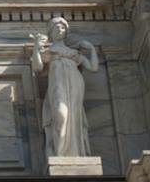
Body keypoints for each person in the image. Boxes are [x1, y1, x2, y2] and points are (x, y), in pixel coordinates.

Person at [29, 16, 101, 158]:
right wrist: (36, 48)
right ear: (50, 32)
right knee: (61, 115)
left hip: (76, 85)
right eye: (57, 27)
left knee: (74, 116)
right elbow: (37, 67)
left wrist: (91, 48)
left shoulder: (73, 53)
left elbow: (93, 67)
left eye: (63, 27)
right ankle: (59, 155)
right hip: (57, 85)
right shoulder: (49, 51)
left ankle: (76, 154)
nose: (60, 30)